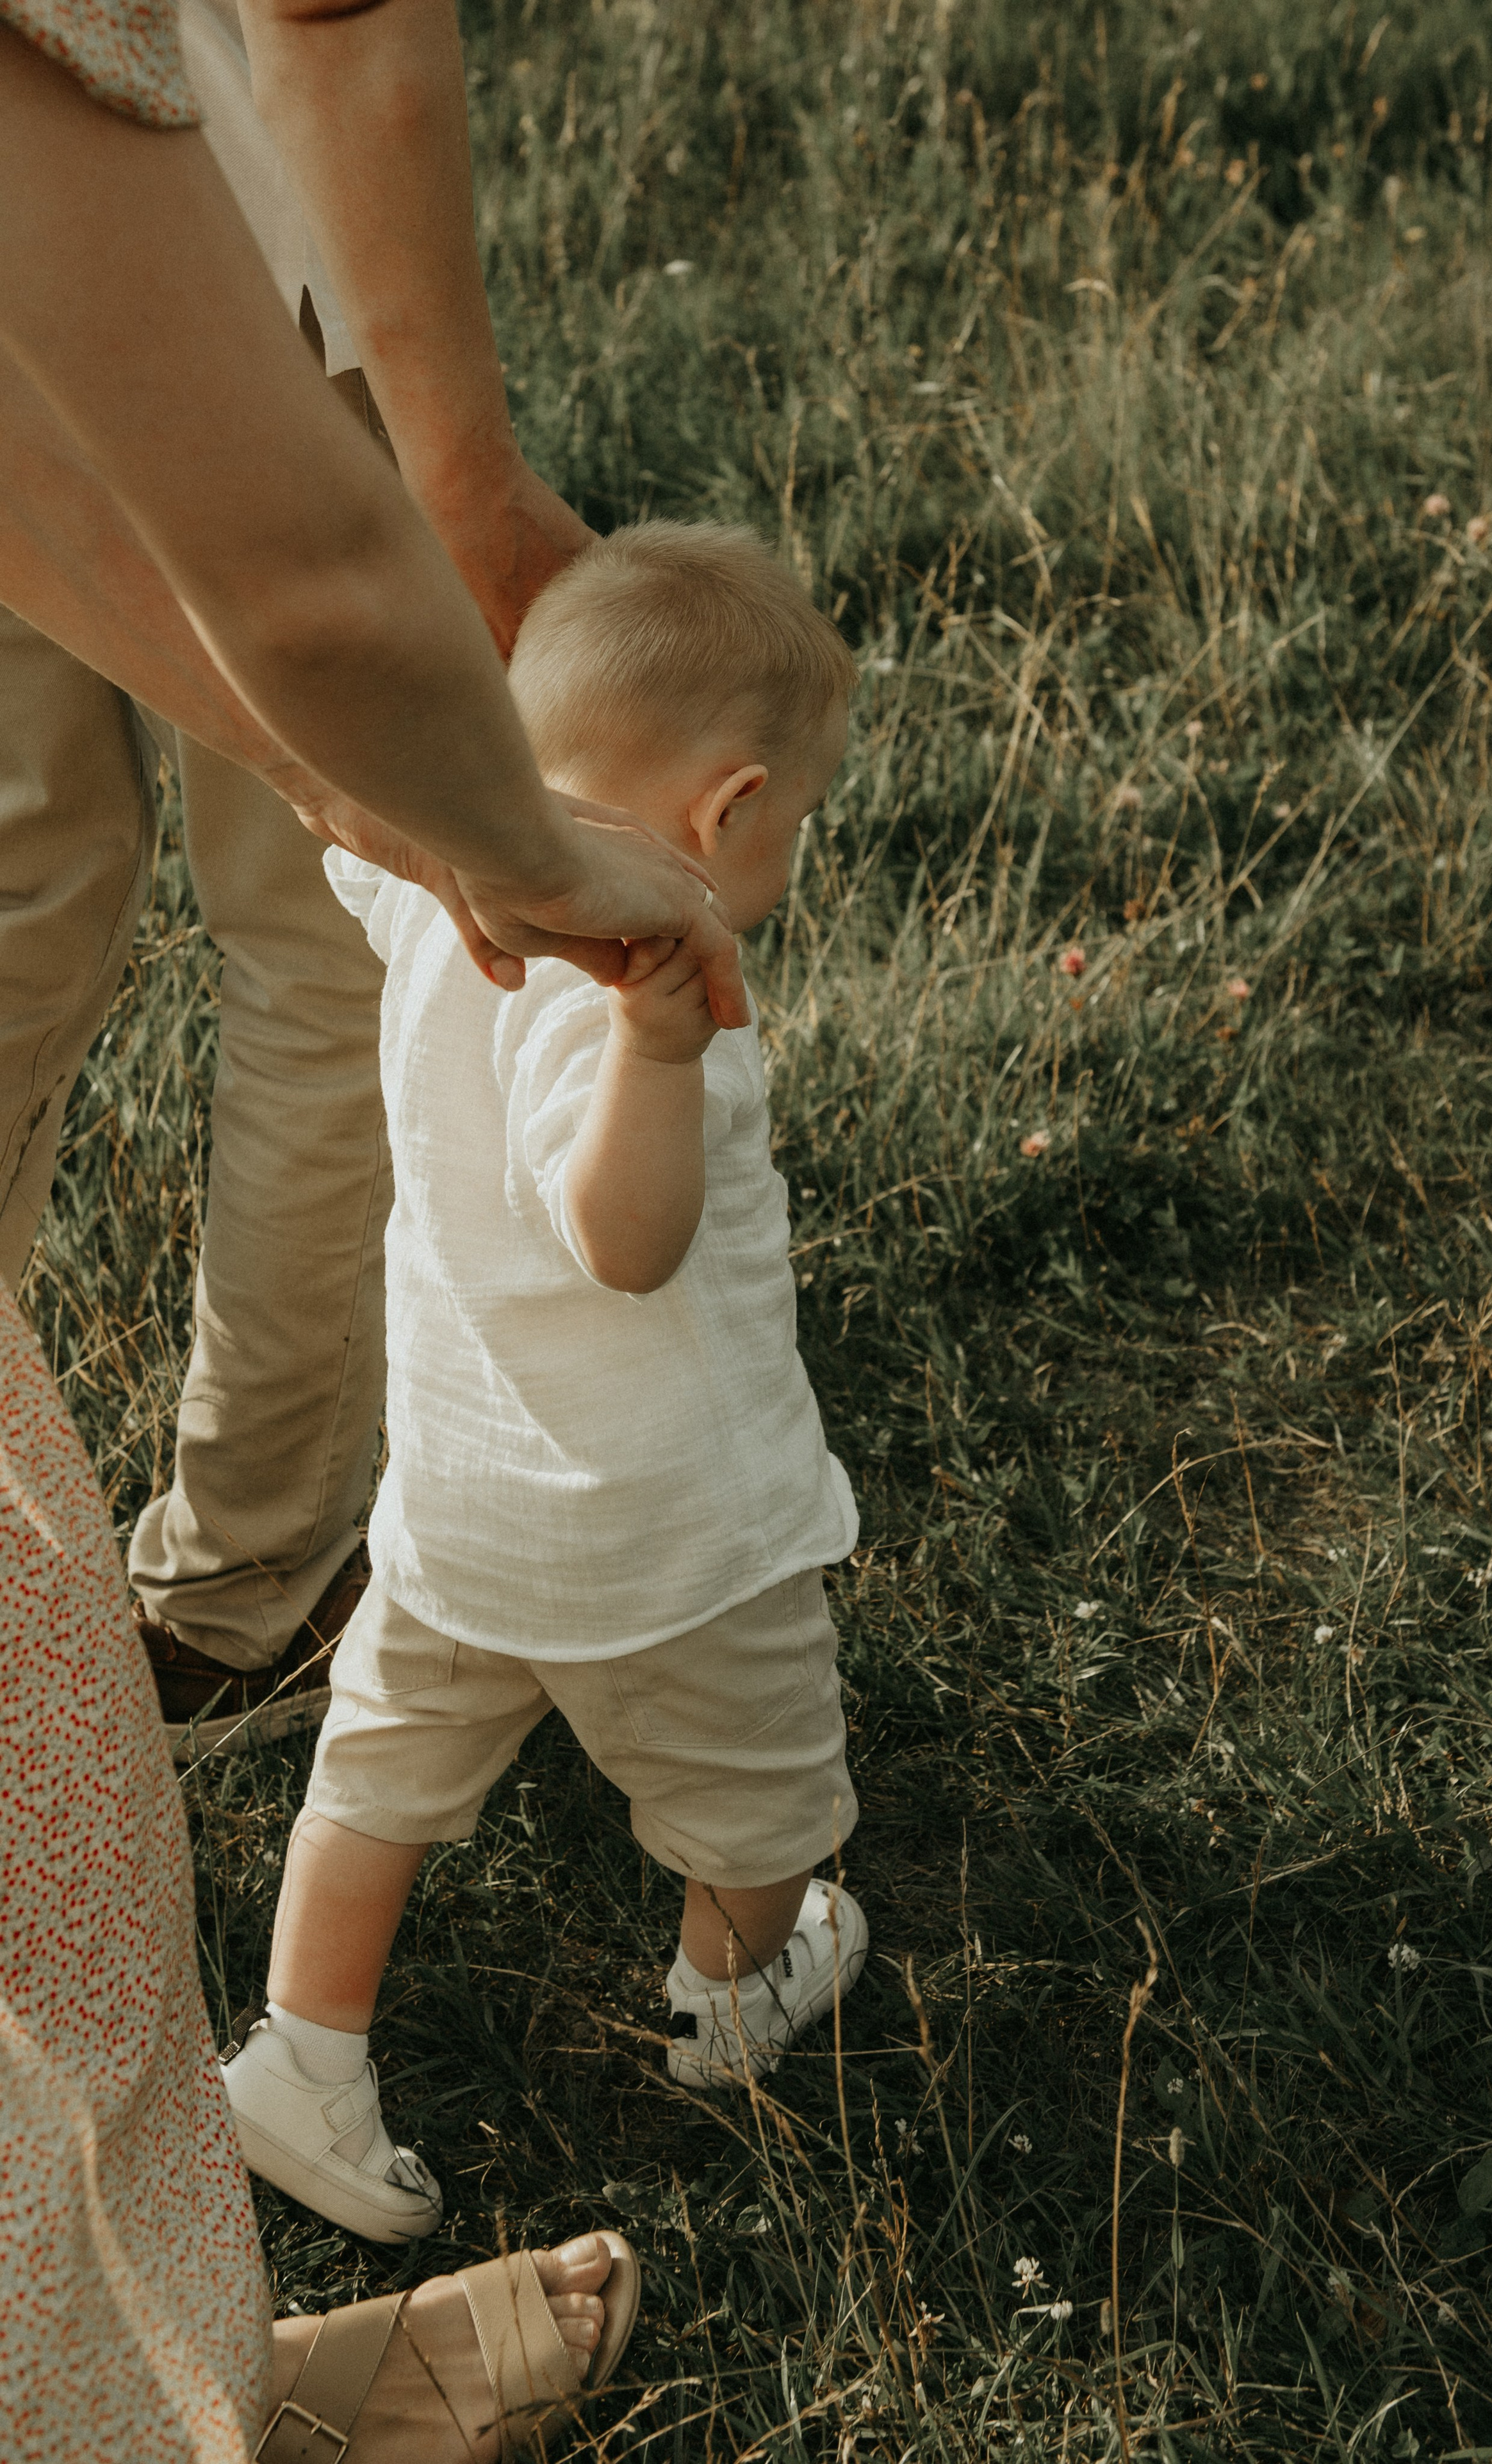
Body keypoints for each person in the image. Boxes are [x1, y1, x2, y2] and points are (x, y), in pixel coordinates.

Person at [0, 6, 750, 2453]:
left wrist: (387, 807)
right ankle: (146, 2406)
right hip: (246, 391)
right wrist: (536, 857)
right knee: (59, 1862)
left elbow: (38, 496)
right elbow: (305, 567)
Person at [220, 524, 870, 2243]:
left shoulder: (440, 880)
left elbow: (328, 804)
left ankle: (304, 2055)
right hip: (674, 1538)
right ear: (728, 814)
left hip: (454, 1501)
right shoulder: (647, 986)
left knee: (377, 1778)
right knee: (762, 1786)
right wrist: (664, 1048)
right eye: (792, 823)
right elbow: (625, 1239)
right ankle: (731, 1998)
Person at [0, 0, 600, 1759]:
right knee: (326, 949)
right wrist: (467, 481)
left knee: (17, 899)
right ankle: (240, 1594)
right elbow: (335, 14)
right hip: (233, 248)